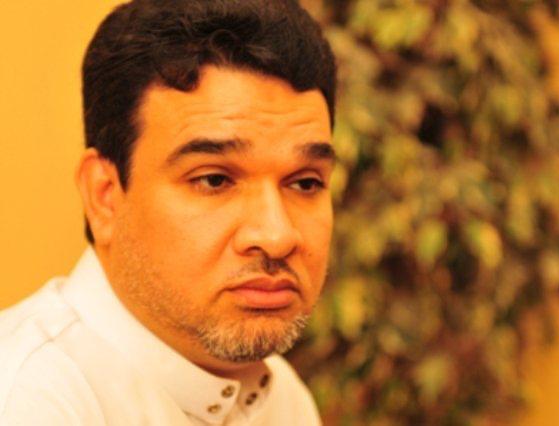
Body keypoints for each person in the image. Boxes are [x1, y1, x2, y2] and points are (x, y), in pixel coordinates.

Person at [0, 0, 336, 424]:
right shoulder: (27, 399)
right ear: (105, 195)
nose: (277, 236)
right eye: (214, 179)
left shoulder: (281, 398)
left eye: (305, 183)